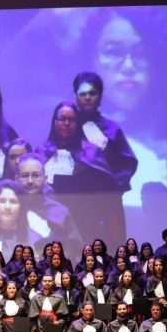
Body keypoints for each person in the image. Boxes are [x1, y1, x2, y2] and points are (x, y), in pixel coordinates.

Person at [37, 100, 125, 243]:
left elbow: (110, 194)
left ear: (78, 123)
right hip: (51, 224)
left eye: (71, 120)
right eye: (62, 119)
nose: (66, 124)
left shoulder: (91, 151)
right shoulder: (42, 151)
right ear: (55, 122)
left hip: (88, 223)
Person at [73, 71, 138, 198]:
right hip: (73, 199)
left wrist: (113, 188)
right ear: (75, 96)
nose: (87, 97)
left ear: (100, 96)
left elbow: (128, 163)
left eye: (92, 93)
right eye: (83, 94)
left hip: (106, 200)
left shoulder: (112, 129)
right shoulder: (67, 126)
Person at [14, 153, 84, 258]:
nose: (30, 181)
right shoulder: (9, 210)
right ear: (16, 179)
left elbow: (77, 250)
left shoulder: (60, 211)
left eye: (36, 175)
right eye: (24, 176)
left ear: (45, 179)